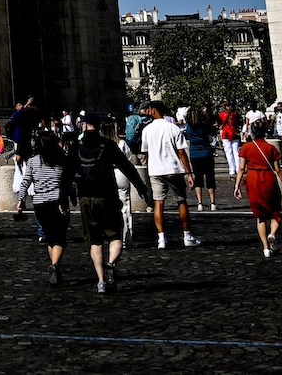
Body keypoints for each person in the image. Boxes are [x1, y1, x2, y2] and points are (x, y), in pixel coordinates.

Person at [73, 115, 151, 292]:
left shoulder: (78, 146)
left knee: (95, 240)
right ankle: (111, 264)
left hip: (86, 197)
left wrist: (65, 196)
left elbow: (68, 172)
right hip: (107, 195)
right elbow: (127, 166)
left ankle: (101, 281)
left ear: (84, 125)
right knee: (116, 236)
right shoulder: (108, 145)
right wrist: (141, 188)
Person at [137, 102, 198, 248]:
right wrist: (189, 172)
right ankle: (187, 235)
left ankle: (161, 238)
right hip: (173, 169)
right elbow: (181, 152)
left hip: (155, 170)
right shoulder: (173, 128)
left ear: (153, 111)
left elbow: (145, 151)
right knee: (181, 201)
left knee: (158, 203)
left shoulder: (147, 130)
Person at [19, 130, 72, 285]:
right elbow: (69, 181)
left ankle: (55, 268)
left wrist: (21, 200)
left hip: (40, 204)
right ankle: (55, 266)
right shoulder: (62, 159)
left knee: (50, 238)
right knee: (59, 238)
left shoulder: (33, 161)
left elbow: (25, 182)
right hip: (58, 202)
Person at [235, 118, 282, 257]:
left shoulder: (246, 148)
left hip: (253, 180)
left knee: (260, 217)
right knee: (276, 211)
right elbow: (278, 170)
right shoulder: (271, 148)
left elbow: (241, 168)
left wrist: (237, 186)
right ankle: (272, 234)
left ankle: (266, 248)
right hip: (268, 178)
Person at [184, 108, 218, 212]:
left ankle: (200, 203)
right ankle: (212, 203)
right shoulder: (205, 125)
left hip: (195, 153)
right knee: (210, 177)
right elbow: (212, 135)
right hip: (206, 152)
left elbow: (188, 137)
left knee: (198, 178)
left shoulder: (189, 126)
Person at [217, 104, 242, 178]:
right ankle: (238, 168)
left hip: (226, 133)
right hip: (234, 133)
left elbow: (220, 122)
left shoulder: (222, 114)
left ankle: (232, 169)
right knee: (236, 152)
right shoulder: (235, 114)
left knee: (229, 152)